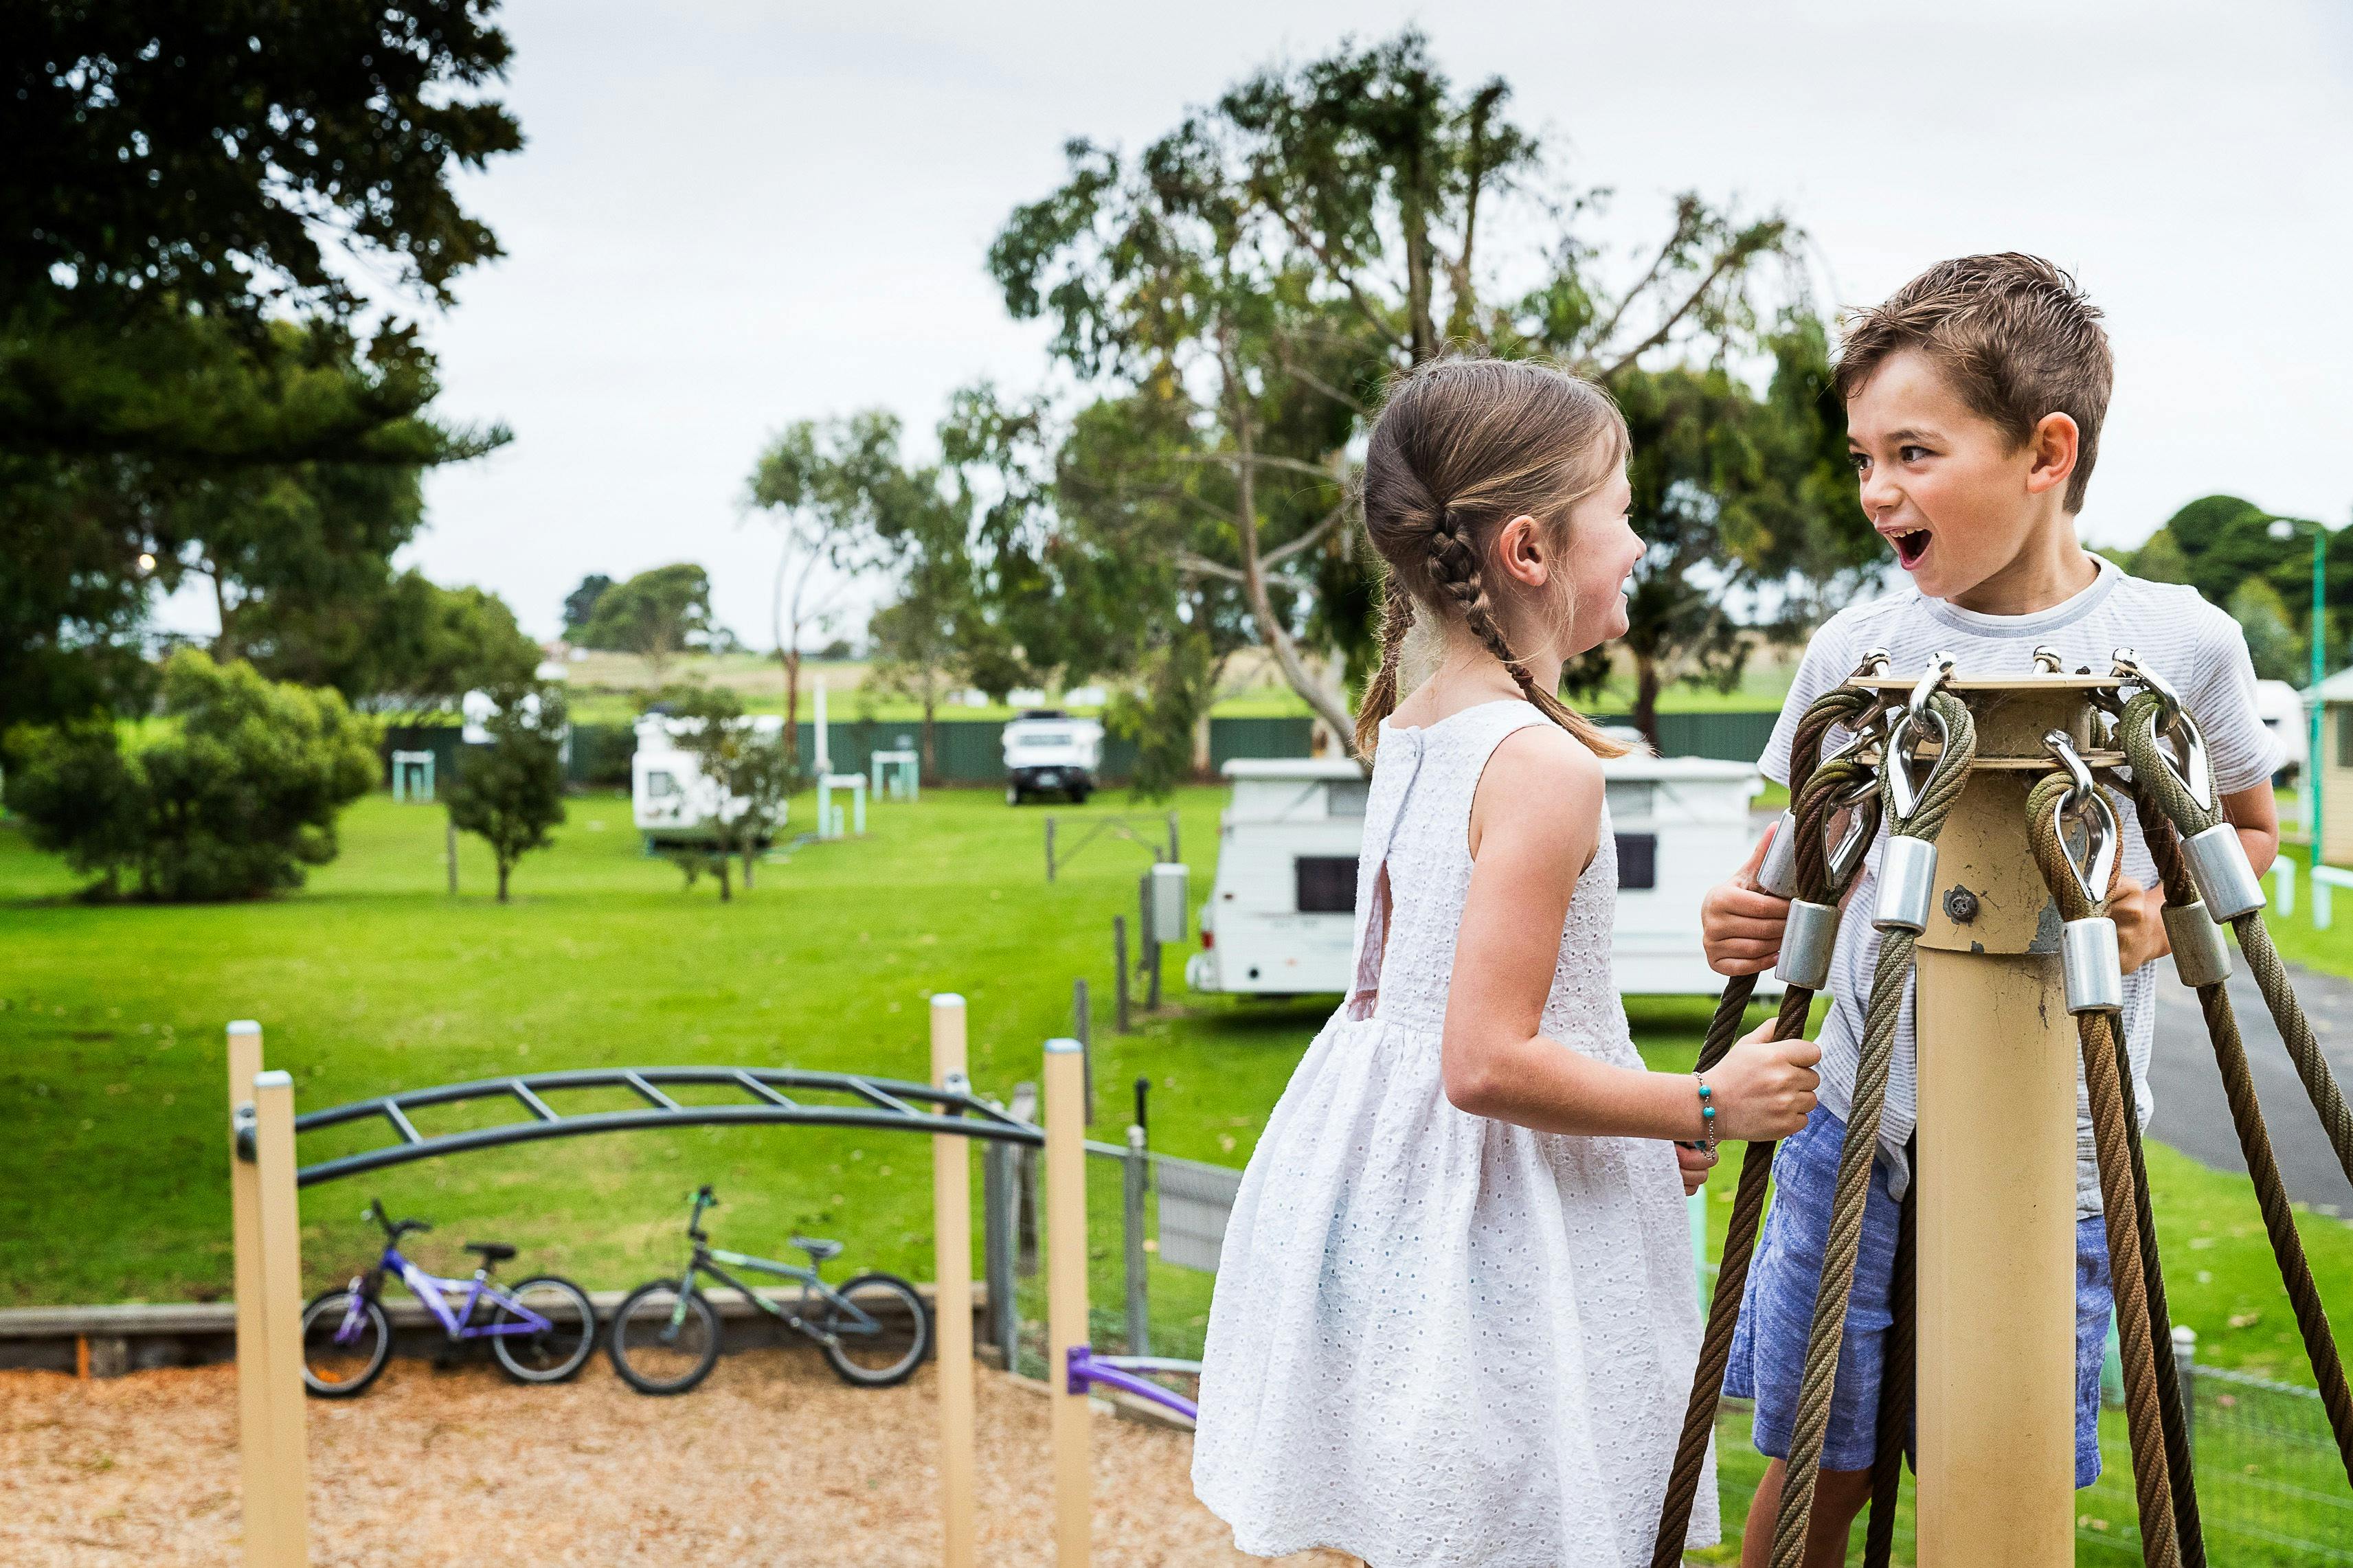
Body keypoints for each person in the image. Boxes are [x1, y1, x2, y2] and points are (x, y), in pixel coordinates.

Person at [1702, 253, 2285, 1567]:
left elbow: (2240, 833)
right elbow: (1786, 856)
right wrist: (1738, 913)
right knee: (1819, 1469)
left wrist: (2145, 910)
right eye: (1859, 457)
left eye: (1910, 451)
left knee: (2007, 1471)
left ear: (2045, 452)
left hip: (2060, 1146)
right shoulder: (1859, 651)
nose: (1873, 493)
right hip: (1854, 1116)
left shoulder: (2177, 642)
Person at [1193, 356, 1824, 1567]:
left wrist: (1644, 1123)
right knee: (1536, 1518)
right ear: (1530, 551)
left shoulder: (1417, 725)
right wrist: (1707, 1100)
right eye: (1623, 511)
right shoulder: (1541, 765)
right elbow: (1482, 1060)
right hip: (1499, 1224)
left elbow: (1425, 1007)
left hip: (1398, 1184)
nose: (1638, 544)